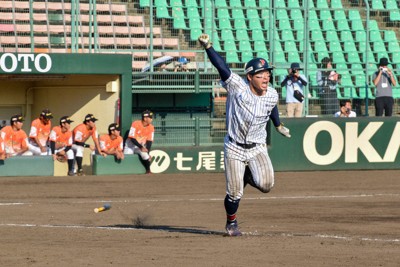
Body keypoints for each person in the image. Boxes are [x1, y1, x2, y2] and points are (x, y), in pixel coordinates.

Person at [198, 33, 281, 236]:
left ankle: (247, 174)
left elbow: (272, 107)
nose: (266, 77)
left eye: (267, 73)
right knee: (235, 192)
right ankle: (231, 222)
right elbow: (222, 68)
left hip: (257, 147)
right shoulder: (238, 87)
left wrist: (278, 124)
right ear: (250, 77)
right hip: (234, 146)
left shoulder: (272, 93)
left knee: (267, 184)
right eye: (260, 74)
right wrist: (208, 47)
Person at [124, 110, 155, 174]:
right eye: (150, 117)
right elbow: (132, 138)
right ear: (145, 118)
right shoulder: (136, 123)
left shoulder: (151, 127)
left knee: (145, 155)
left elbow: (149, 141)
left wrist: (147, 151)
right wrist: (141, 147)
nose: (152, 119)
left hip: (140, 146)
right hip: (130, 145)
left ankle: (148, 170)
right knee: (127, 157)